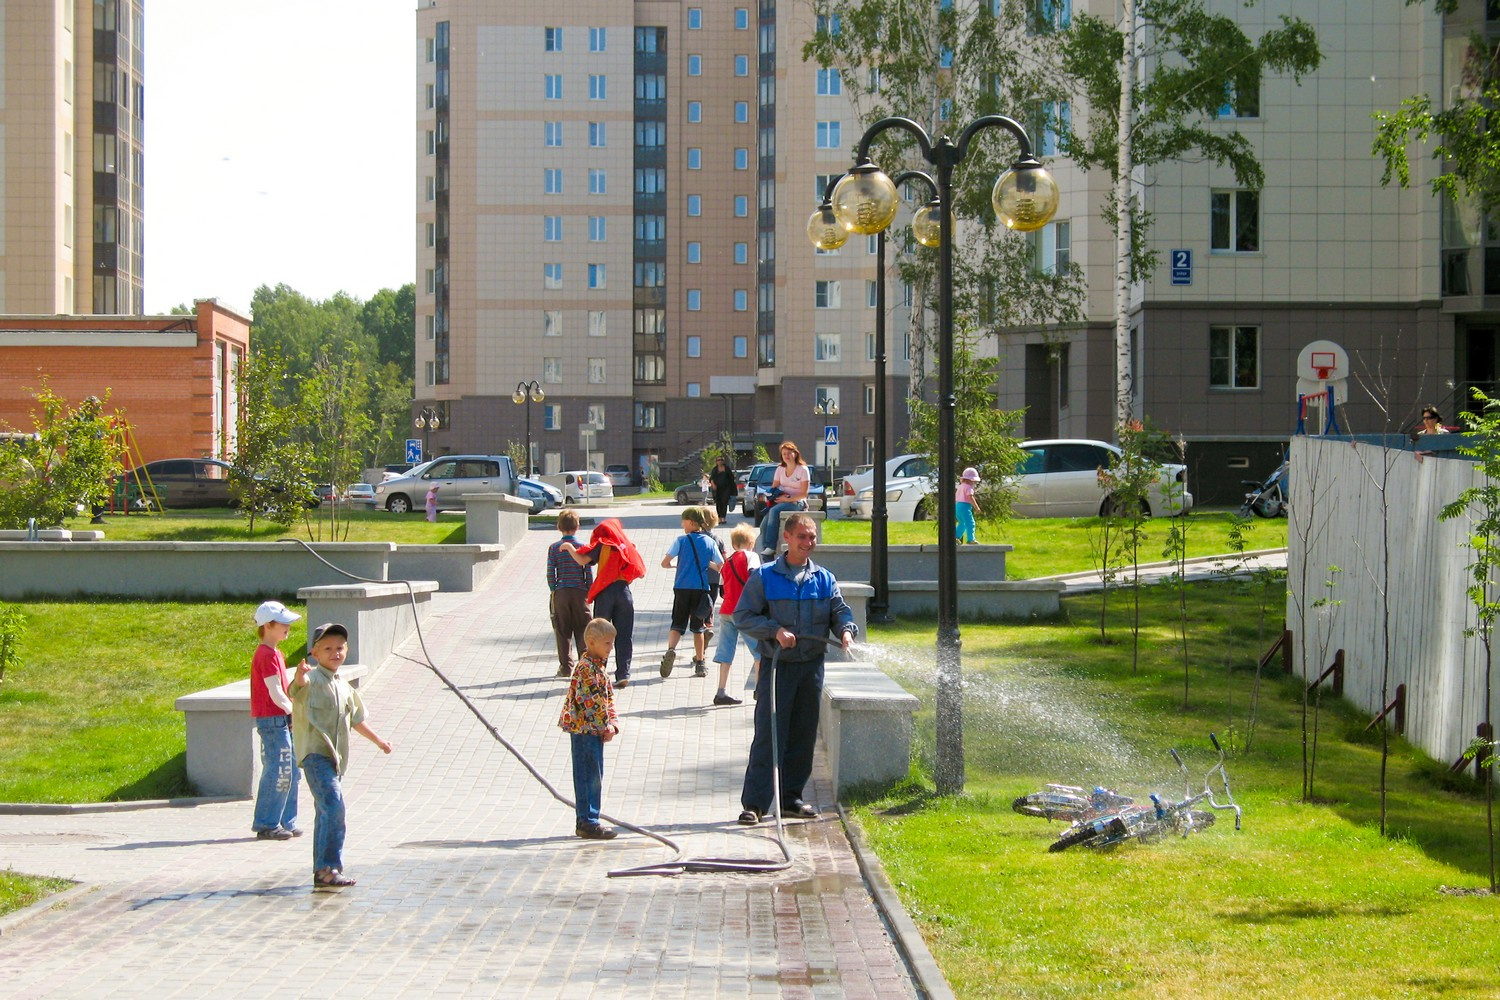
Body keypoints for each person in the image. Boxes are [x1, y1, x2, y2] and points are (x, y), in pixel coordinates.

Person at [733, 512, 856, 825]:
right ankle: (756, 805)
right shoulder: (764, 577)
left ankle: (790, 799)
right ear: (786, 538)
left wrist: (845, 631)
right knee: (769, 735)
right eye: (802, 536)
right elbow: (743, 616)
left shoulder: (825, 579)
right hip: (779, 668)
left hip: (811, 668)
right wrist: (775, 630)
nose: (808, 542)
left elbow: (840, 612)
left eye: (812, 537)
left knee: (803, 735)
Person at [289, 622, 393, 889]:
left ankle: (323, 871)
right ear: (314, 652)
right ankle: (329, 866)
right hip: (314, 754)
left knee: (325, 811)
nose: (335, 653)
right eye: (327, 648)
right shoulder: (311, 678)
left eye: (340, 648)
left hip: (334, 760)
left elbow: (357, 720)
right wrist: (300, 675)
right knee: (334, 807)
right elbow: (296, 689)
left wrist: (379, 741)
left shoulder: (344, 686)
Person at [559, 518, 646, 686]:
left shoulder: (603, 543)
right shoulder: (627, 546)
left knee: (600, 635)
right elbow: (640, 572)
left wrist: (569, 547)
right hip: (624, 593)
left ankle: (599, 674)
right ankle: (623, 674)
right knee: (624, 635)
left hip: (605, 594)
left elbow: (582, 560)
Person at [559, 617, 621, 840]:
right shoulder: (586, 668)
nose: (611, 648)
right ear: (592, 642)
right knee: (588, 775)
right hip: (585, 730)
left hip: (594, 729)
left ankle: (589, 817)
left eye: (612, 643)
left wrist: (612, 723)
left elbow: (608, 698)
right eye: (607, 643)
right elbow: (592, 702)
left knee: (595, 773)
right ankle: (587, 820)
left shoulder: (598, 666)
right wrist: (606, 726)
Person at [249, 600, 302, 841]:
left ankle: (286, 821)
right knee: (279, 770)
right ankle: (266, 823)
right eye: (284, 623)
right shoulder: (265, 655)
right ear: (268, 625)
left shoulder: (276, 653)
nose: (288, 627)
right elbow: (275, 692)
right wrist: (293, 710)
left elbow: (283, 688)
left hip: (282, 718)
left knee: (291, 770)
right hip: (272, 720)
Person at [659, 506, 723, 679]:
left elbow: (665, 563)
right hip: (701, 589)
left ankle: (671, 650)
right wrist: (705, 565)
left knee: (677, 623)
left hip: (681, 588)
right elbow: (720, 565)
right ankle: (700, 663)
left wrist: (676, 566)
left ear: (692, 523)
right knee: (698, 627)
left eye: (684, 520)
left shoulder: (681, 540)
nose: (682, 523)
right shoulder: (710, 542)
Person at [708, 523, 762, 707]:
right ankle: (760, 690)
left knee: (725, 652)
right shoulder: (751, 556)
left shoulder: (727, 562)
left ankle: (721, 691)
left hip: (726, 610)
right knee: (759, 651)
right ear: (750, 542)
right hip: (744, 611)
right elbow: (755, 577)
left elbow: (724, 589)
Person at [547, 509, 593, 678]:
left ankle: (565, 667)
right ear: (577, 526)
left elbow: (551, 572)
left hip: (561, 593)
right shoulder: (582, 548)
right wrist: (589, 590)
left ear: (559, 527)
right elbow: (587, 572)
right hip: (580, 592)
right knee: (583, 627)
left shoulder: (554, 548)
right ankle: (584, 665)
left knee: (562, 628)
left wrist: (554, 590)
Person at [755, 441, 810, 557]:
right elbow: (774, 487)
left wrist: (788, 499)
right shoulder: (780, 469)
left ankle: (771, 546)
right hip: (781, 499)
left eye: (789, 453)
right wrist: (774, 495)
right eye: (784, 454)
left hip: (797, 502)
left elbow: (804, 493)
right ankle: (766, 551)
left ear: (795, 453)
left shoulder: (803, 470)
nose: (787, 456)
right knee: (763, 524)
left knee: (774, 511)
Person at [955, 466, 981, 545]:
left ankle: (956, 537)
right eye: (974, 481)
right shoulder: (969, 487)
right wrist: (976, 507)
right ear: (971, 480)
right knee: (970, 523)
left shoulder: (960, 487)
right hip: (965, 506)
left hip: (957, 506)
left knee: (962, 523)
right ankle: (971, 539)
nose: (975, 483)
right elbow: (970, 497)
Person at [709, 456, 738, 522]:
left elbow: (731, 478)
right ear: (716, 461)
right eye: (718, 460)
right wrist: (713, 484)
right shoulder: (715, 469)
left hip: (726, 488)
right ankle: (719, 517)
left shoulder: (727, 468)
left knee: (724, 502)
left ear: (723, 461)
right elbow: (711, 478)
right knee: (718, 503)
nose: (720, 461)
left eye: (721, 460)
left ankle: (723, 518)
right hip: (717, 489)